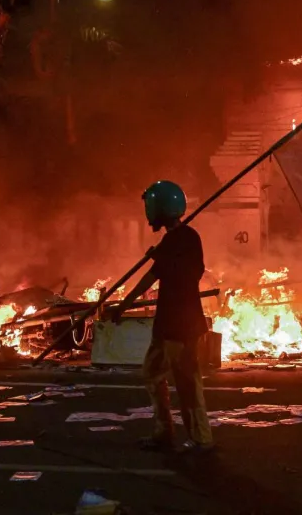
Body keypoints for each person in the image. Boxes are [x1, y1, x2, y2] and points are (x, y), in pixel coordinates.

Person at [109, 180, 214, 454]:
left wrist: (123, 305)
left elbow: (155, 277)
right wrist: (162, 256)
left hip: (176, 326)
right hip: (180, 323)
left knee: (173, 378)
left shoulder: (178, 241)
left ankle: (185, 436)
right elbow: (180, 271)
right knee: (170, 376)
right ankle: (181, 434)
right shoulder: (184, 239)